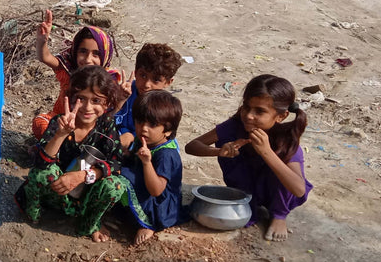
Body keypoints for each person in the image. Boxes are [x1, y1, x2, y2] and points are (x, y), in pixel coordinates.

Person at [16, 66, 152, 242]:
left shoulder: (106, 127)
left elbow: (116, 163)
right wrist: (60, 135)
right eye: (81, 99)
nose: (88, 107)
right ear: (70, 100)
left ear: (107, 103)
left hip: (84, 196)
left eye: (96, 100)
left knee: (116, 185)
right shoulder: (59, 122)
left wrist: (84, 176)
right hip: (55, 192)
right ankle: (34, 214)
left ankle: (88, 224)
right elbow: (40, 164)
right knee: (42, 173)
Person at [184, 74, 311, 241]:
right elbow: (192, 146)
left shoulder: (285, 140)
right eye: (246, 107)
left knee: (280, 166)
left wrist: (266, 152)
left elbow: (298, 189)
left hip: (275, 192)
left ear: (281, 116)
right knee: (227, 143)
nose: (249, 116)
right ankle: (248, 203)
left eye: (259, 111)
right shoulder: (236, 125)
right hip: (246, 188)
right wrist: (220, 151)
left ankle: (279, 215)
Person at [32, 9, 122, 139]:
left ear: (105, 56)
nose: (87, 59)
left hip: (90, 127)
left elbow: (109, 113)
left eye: (96, 54)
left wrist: (123, 98)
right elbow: (45, 57)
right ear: (75, 51)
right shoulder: (68, 69)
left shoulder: (108, 81)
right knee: (40, 123)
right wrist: (42, 41)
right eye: (83, 52)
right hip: (61, 123)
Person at [120, 90, 184, 245]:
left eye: (153, 125)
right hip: (146, 189)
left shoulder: (166, 154)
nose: (144, 128)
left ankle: (148, 224)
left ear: (168, 130)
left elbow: (156, 190)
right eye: (139, 121)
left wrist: (147, 162)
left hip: (160, 205)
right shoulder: (142, 141)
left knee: (125, 176)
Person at [115, 43, 183, 151]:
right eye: (143, 75)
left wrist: (132, 139)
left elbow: (164, 137)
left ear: (168, 82)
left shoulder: (166, 107)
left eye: (156, 80)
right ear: (135, 73)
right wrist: (120, 101)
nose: (147, 84)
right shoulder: (125, 91)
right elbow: (109, 119)